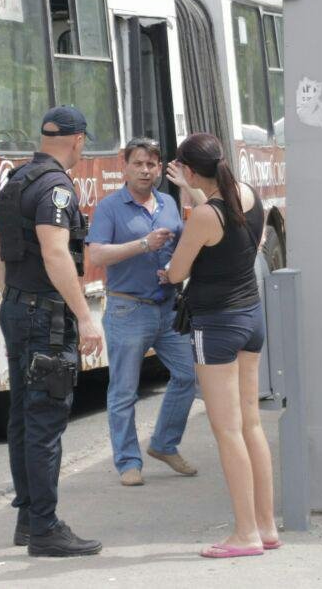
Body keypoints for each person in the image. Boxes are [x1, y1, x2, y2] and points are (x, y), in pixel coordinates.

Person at [163, 132, 280, 559]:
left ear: (191, 171)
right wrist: (191, 190)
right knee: (251, 425)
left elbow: (177, 273)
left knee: (226, 430)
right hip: (251, 317)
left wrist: (166, 269)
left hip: (215, 325)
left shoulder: (201, 217)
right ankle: (265, 527)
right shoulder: (249, 196)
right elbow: (222, 213)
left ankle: (244, 533)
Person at [0, 105, 104, 557]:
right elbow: (57, 254)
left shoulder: (16, 180)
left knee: (23, 417)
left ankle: (27, 518)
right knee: (45, 423)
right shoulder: (57, 188)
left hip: (18, 309)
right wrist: (85, 316)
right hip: (47, 319)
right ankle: (44, 526)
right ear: (77, 140)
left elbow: (2, 250)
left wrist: (11, 298)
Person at [87, 137, 198, 486]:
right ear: (125, 166)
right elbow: (96, 256)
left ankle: (164, 444)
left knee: (188, 377)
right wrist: (143, 245)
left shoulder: (167, 203)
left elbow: (187, 245)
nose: (145, 171)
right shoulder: (109, 207)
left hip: (167, 309)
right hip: (127, 309)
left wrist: (175, 269)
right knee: (123, 391)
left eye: (151, 164)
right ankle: (128, 462)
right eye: (138, 163)